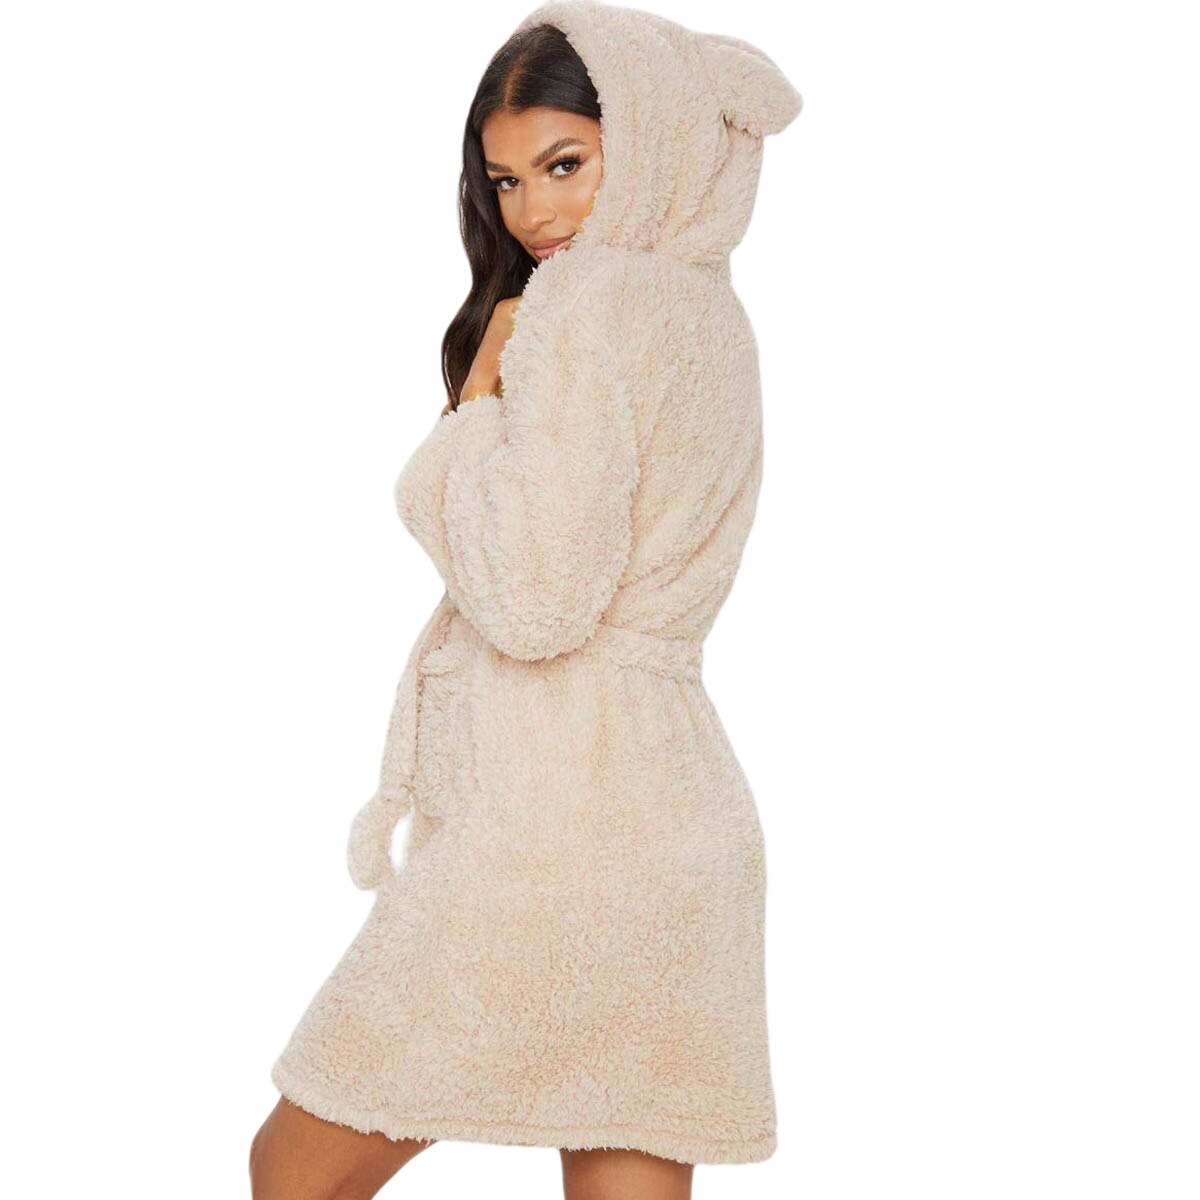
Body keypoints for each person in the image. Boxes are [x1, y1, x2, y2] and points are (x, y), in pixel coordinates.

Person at [251, 3, 802, 1198]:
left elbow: (537, 603)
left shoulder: (585, 308)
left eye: (566, 165)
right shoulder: (711, 315)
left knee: (293, 1172)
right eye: (505, 181)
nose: (535, 214)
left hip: (558, 819)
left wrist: (473, 410)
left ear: (651, 141)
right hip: (674, 817)